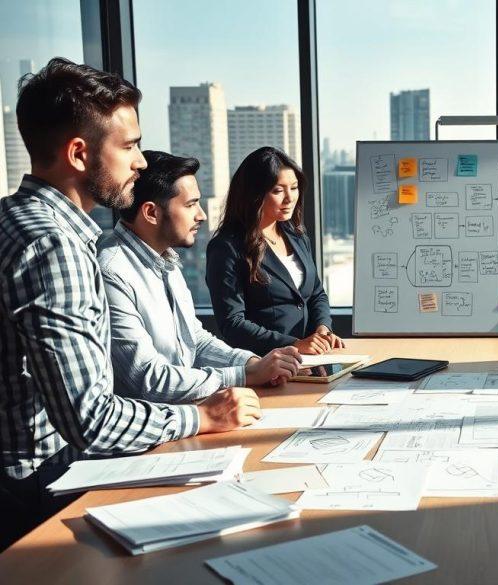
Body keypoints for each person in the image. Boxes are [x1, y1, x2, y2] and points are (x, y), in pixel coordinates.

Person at [0, 58, 261, 549]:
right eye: (129, 145)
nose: (141, 162)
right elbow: (90, 421)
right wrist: (204, 417)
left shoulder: (17, 221)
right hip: (43, 496)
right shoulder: (53, 246)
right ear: (79, 154)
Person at [97, 150, 304, 404]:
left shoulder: (165, 260)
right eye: (190, 204)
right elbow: (147, 380)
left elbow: (196, 341)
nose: (202, 215)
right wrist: (242, 375)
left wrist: (254, 363)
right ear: (151, 213)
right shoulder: (111, 272)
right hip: (154, 432)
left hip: (187, 415)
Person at [206, 146, 344, 356]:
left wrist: (322, 330)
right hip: (265, 363)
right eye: (278, 191)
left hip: (311, 362)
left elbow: (316, 293)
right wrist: (294, 343)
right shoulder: (227, 247)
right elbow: (232, 324)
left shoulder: (297, 235)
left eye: (294, 187)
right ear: (254, 194)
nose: (290, 198)